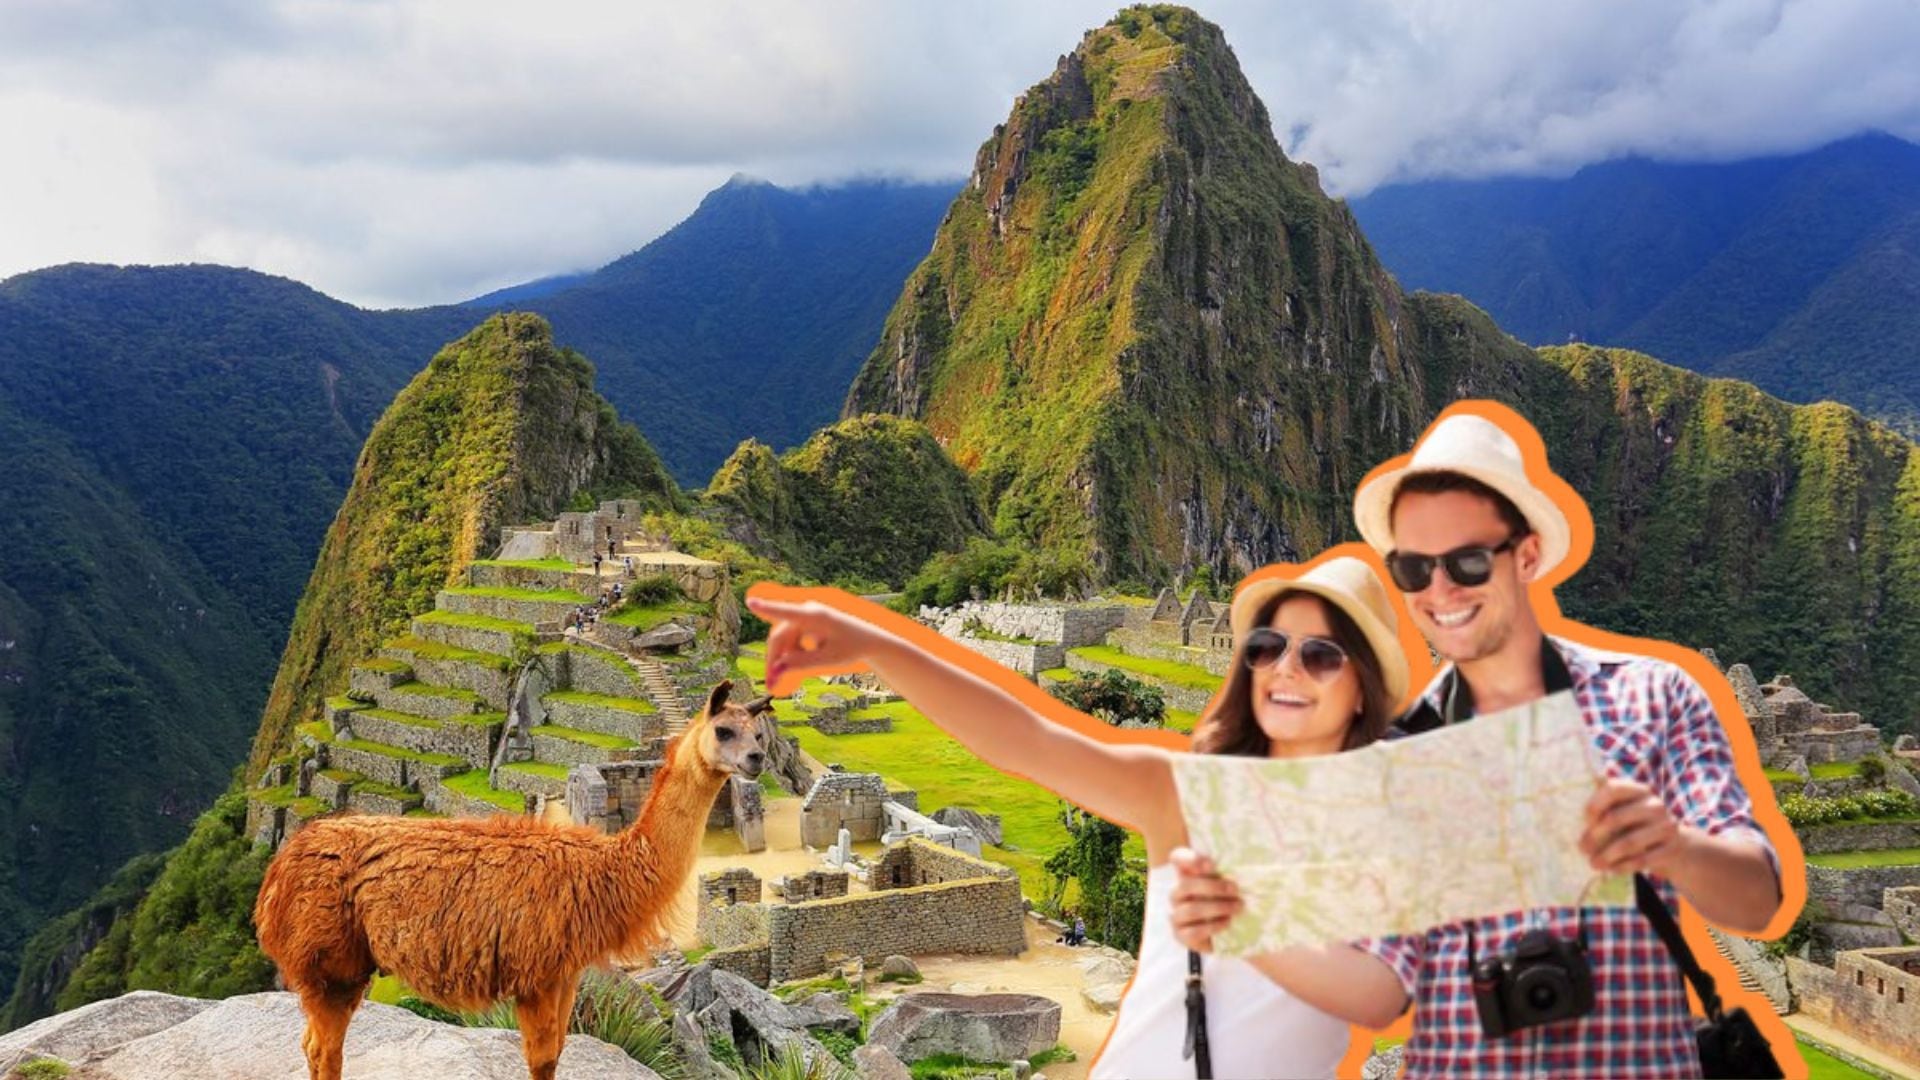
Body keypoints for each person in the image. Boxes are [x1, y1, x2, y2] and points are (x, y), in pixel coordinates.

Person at [1170, 410, 1787, 1078]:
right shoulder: (1404, 757)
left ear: (1525, 554)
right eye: (1413, 568)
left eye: (1466, 561)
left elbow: (1756, 899)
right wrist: (1243, 922)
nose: (1440, 592)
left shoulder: (1652, 697)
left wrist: (1673, 844)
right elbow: (1381, 991)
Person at [751, 553, 1413, 1079]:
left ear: (1362, 689)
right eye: (1268, 647)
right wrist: (880, 644)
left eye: (1321, 655)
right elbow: (1029, 739)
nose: (1287, 669)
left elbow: (1381, 994)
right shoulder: (1191, 792)